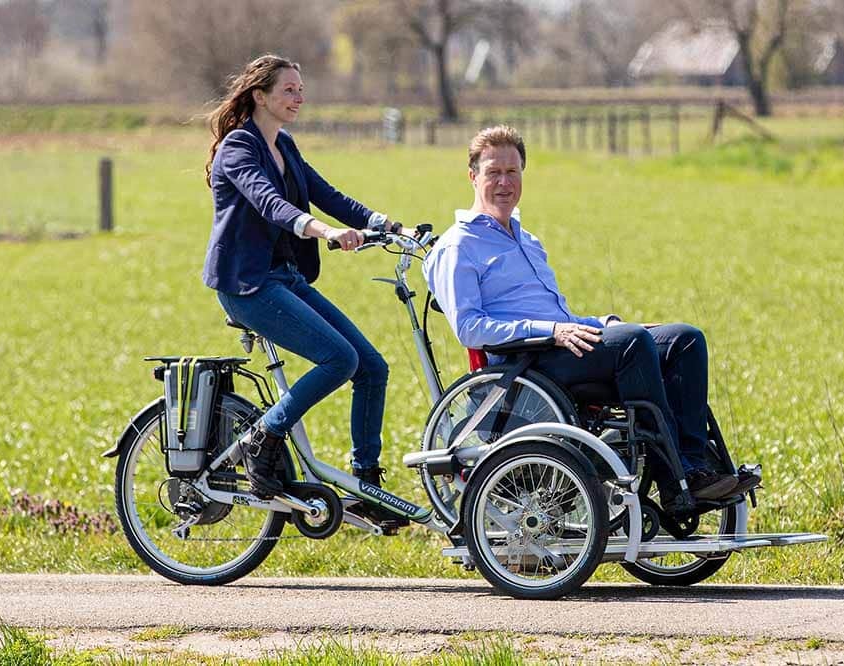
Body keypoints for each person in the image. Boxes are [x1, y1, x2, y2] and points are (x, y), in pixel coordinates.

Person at [422, 125, 748, 514]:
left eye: (513, 172)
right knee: (631, 344)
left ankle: (695, 468)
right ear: (473, 176)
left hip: (560, 344)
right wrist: (553, 331)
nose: (504, 183)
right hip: (525, 365)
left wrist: (602, 322)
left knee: (683, 338)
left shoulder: (527, 241)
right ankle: (675, 483)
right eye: (494, 173)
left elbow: (557, 314)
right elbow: (470, 327)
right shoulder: (457, 246)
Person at [203, 55, 404, 500]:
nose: (299, 97)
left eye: (300, 89)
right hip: (248, 285)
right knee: (339, 359)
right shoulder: (239, 147)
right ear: (260, 96)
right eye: (289, 90)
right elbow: (270, 203)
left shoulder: (285, 145)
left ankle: (366, 483)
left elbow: (324, 193)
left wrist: (387, 225)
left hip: (287, 277)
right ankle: (263, 436)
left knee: (372, 367)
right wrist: (325, 231)